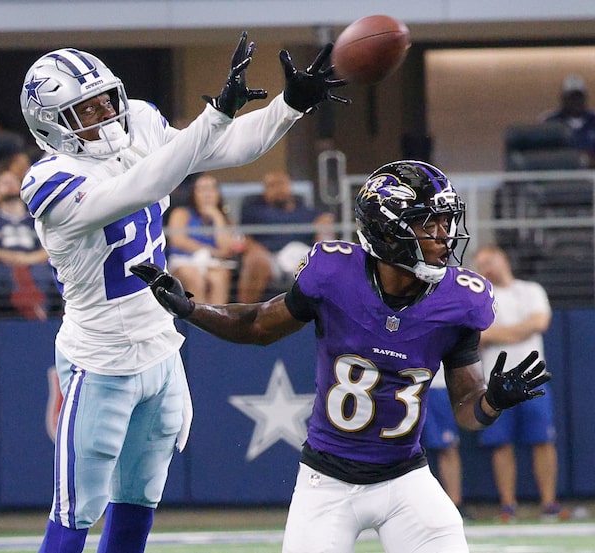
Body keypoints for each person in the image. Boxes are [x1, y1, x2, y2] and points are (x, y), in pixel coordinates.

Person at [19, 34, 349, 553]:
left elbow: (223, 148)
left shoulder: (137, 124)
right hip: (100, 359)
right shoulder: (50, 181)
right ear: (50, 125)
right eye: (87, 109)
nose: (106, 115)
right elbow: (146, 184)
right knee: (76, 512)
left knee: (139, 500)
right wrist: (214, 116)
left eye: (106, 99)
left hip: (162, 348)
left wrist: (289, 106)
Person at [132, 160, 552, 553]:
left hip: (406, 478)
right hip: (327, 482)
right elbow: (258, 325)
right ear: (388, 232)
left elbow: (466, 410)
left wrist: (492, 401)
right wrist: (192, 309)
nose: (445, 234)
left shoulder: (460, 300)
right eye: (429, 222)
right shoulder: (334, 274)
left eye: (447, 220)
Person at [472, 244, 568, 522]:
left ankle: (548, 503)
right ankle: (508, 506)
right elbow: (479, 336)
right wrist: (518, 331)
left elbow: (539, 323)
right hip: (496, 383)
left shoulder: (530, 290)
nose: (487, 268)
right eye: (481, 264)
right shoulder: (480, 297)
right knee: (500, 443)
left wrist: (498, 334)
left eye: (490, 261)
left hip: (532, 380)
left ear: (503, 259)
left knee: (543, 440)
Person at [237, 169, 335, 303]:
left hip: (302, 257)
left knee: (329, 261)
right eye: (272, 185)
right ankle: (245, 313)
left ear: (290, 186)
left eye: (282, 184)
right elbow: (245, 238)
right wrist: (257, 251)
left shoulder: (308, 211)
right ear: (265, 191)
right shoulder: (254, 212)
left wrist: (324, 230)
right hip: (270, 257)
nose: (279, 189)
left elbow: (324, 237)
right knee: (255, 261)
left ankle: (329, 312)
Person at [0, 169, 58, 320]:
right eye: (4, 183)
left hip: (35, 265)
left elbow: (52, 246)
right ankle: (35, 313)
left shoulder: (37, 218)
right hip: (3, 267)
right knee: (9, 275)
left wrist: (27, 259)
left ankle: (35, 311)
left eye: (14, 181)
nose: (11, 185)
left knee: (42, 274)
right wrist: (11, 257)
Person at [166, 172, 241, 304]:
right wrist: (212, 251)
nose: (207, 194)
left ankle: (217, 317)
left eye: (211, 189)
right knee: (195, 277)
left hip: (212, 263)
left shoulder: (225, 219)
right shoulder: (181, 213)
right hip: (183, 260)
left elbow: (226, 249)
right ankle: (198, 316)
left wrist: (217, 217)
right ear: (194, 193)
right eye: (202, 190)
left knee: (219, 278)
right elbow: (178, 240)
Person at [421, 369, 466, 517]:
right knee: (398, 447)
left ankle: (455, 505)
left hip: (438, 383)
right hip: (403, 384)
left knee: (448, 447)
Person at [541, 74, 595, 168]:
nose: (576, 102)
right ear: (563, 99)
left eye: (578, 97)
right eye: (572, 98)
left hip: (594, 172)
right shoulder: (551, 123)